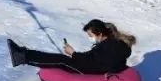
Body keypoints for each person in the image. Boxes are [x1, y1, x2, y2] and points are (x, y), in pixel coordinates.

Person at [8, 19, 136, 75]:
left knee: (61, 60)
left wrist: (73, 54)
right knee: (61, 58)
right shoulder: (114, 42)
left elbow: (93, 60)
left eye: (90, 35)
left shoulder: (107, 46)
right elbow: (95, 57)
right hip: (93, 66)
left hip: (89, 70)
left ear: (100, 34)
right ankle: (24, 52)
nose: (89, 37)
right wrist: (75, 54)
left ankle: (23, 57)